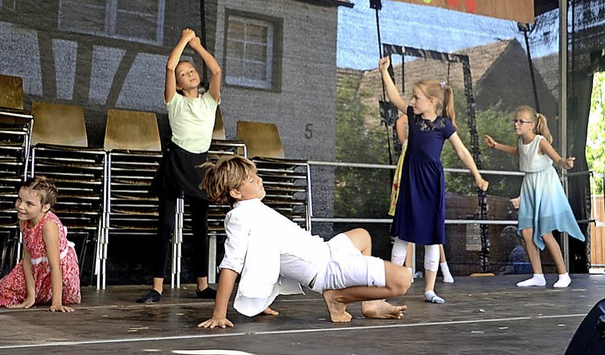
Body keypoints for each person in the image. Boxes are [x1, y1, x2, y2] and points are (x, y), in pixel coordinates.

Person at [197, 155, 412, 328]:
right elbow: (231, 265)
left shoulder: (253, 208)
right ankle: (337, 298)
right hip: (328, 270)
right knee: (403, 279)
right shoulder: (240, 217)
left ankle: (371, 304)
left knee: (363, 235)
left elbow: (267, 257)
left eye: (257, 175)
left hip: (328, 251)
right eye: (252, 180)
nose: (260, 180)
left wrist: (260, 301)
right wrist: (219, 314)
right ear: (236, 192)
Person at [379, 57, 489, 304]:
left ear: (432, 102)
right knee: (402, 235)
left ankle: (429, 289)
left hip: (431, 183)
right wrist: (385, 72)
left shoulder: (443, 125)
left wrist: (477, 175)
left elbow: (462, 151)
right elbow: (395, 97)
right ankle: (392, 286)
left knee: (431, 237)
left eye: (417, 98)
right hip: (411, 181)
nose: (413, 101)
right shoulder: (412, 116)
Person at [137, 28, 221, 303]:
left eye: (192, 70)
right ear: (178, 83)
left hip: (201, 164)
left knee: (201, 226)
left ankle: (202, 285)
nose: (189, 73)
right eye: (184, 74)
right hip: (176, 161)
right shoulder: (174, 102)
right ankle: (157, 287)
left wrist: (197, 47)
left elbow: (216, 71)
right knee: (165, 224)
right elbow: (170, 65)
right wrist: (184, 40)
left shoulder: (210, 100)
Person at [484, 105, 585, 288]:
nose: (516, 124)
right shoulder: (522, 142)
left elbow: (558, 160)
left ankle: (564, 274)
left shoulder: (540, 141)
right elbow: (519, 151)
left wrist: (566, 163)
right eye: (515, 120)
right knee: (526, 232)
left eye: (521, 121)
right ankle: (538, 275)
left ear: (531, 125)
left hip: (545, 185)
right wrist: (496, 145)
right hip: (529, 185)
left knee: (545, 233)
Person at [0, 177, 80, 312]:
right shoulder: (24, 219)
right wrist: (30, 296)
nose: (21, 206)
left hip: (56, 269)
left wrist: (57, 302)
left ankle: (49, 295)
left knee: (9, 293)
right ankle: (16, 287)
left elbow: (55, 267)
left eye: (29, 204)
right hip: (35, 265)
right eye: (19, 199)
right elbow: (27, 258)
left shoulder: (49, 227)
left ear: (45, 207)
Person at [390, 114, 455, 284]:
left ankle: (440, 270)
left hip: (424, 181)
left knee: (430, 232)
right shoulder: (414, 123)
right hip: (411, 179)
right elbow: (401, 119)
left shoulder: (436, 124)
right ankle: (408, 271)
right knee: (409, 231)